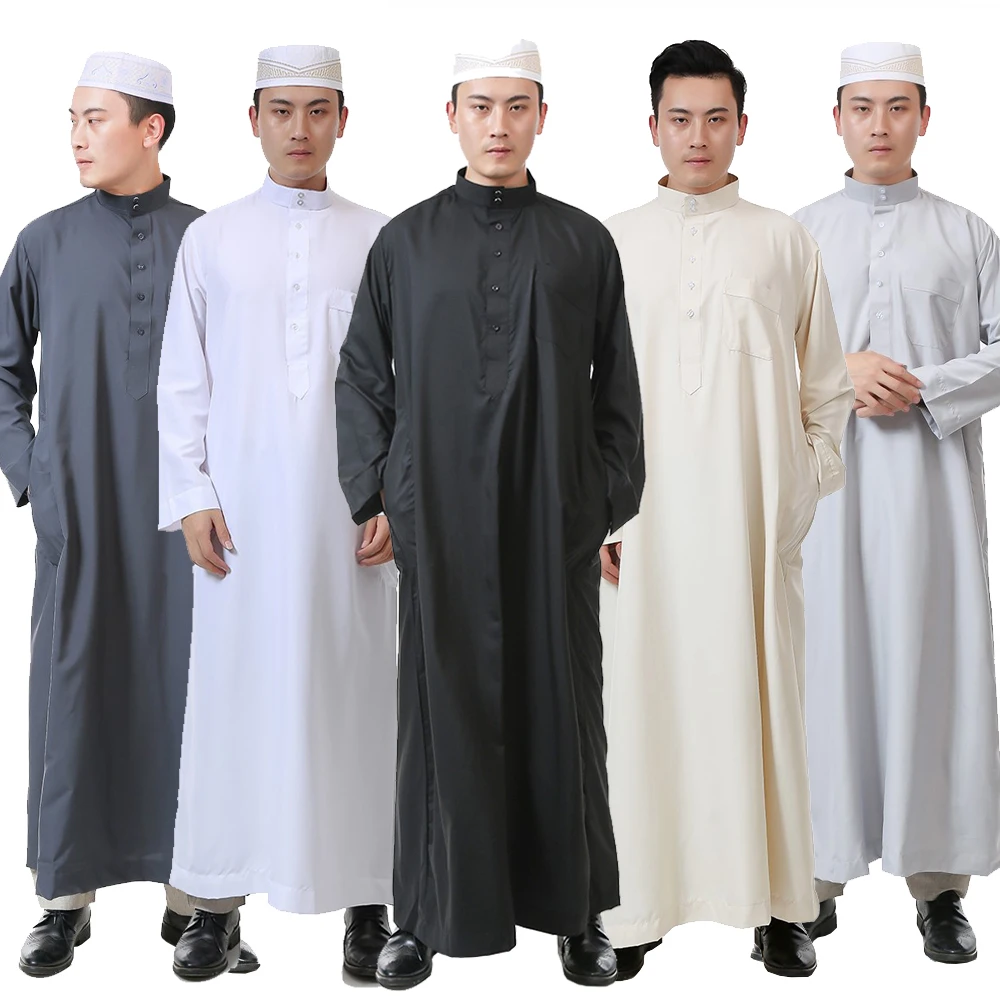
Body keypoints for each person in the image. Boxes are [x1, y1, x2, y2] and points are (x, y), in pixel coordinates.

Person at [335, 38, 644, 991]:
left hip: (553, 519)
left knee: (565, 715)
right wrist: (380, 493)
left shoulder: (584, 242)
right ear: (452, 117)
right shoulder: (406, 242)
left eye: (517, 107)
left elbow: (617, 393)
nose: (499, 125)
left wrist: (600, 504)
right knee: (440, 717)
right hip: (438, 519)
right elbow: (362, 377)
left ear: (542, 117)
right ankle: (425, 919)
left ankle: (578, 916)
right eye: (481, 106)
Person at [597, 40, 854, 980]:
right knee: (641, 709)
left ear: (742, 127)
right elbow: (583, 396)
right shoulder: (611, 242)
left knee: (764, 709)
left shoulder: (784, 241)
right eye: (680, 119)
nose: (697, 137)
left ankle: (779, 908)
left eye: (715, 119)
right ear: (652, 128)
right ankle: (635, 908)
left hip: (753, 527)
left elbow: (826, 389)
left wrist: (798, 485)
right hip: (643, 531)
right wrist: (595, 517)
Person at [0, 50, 257, 979]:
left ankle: (205, 906)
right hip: (82, 515)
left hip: (194, 519)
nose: (76, 137)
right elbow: (2, 371)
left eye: (94, 118)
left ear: (151, 130)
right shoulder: (42, 242)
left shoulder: (212, 239)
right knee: (76, 687)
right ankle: (63, 901)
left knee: (199, 695)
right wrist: (35, 475)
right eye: (71, 119)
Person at [157, 44, 398, 981]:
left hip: (352, 522)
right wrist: (192, 497)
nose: (300, 129)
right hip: (242, 523)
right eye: (282, 110)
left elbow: (409, 384)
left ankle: (370, 907)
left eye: (318, 110)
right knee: (231, 697)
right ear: (253, 120)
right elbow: (183, 381)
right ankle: (213, 906)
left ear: (344, 120)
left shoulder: (382, 238)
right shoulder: (211, 239)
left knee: (359, 699)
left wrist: (395, 497)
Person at [794, 42, 1000, 965]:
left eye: (898, 107)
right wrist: (838, 372)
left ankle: (941, 887)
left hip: (932, 500)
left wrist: (926, 387)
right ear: (836, 119)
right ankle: (811, 878)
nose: (880, 125)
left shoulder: (968, 233)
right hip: (824, 500)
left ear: (925, 118)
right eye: (862, 107)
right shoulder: (797, 235)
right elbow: (755, 359)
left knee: (935, 667)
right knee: (824, 666)